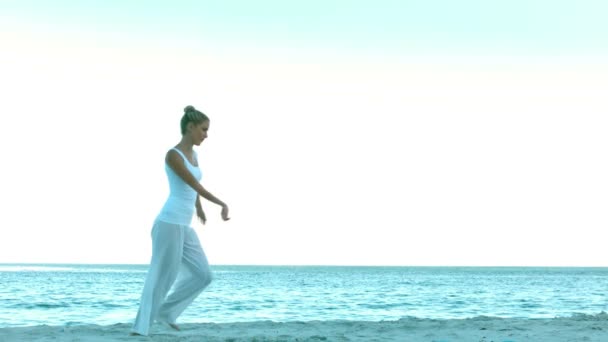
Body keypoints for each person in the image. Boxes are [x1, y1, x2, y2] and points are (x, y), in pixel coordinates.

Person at [131, 105, 230, 336]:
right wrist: (222, 204)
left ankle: (166, 312)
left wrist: (199, 207)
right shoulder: (172, 155)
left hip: (183, 226)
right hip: (169, 222)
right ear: (190, 126)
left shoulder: (193, 156)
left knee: (203, 275)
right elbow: (195, 184)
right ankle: (140, 328)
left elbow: (191, 186)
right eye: (204, 129)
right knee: (160, 276)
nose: (206, 134)